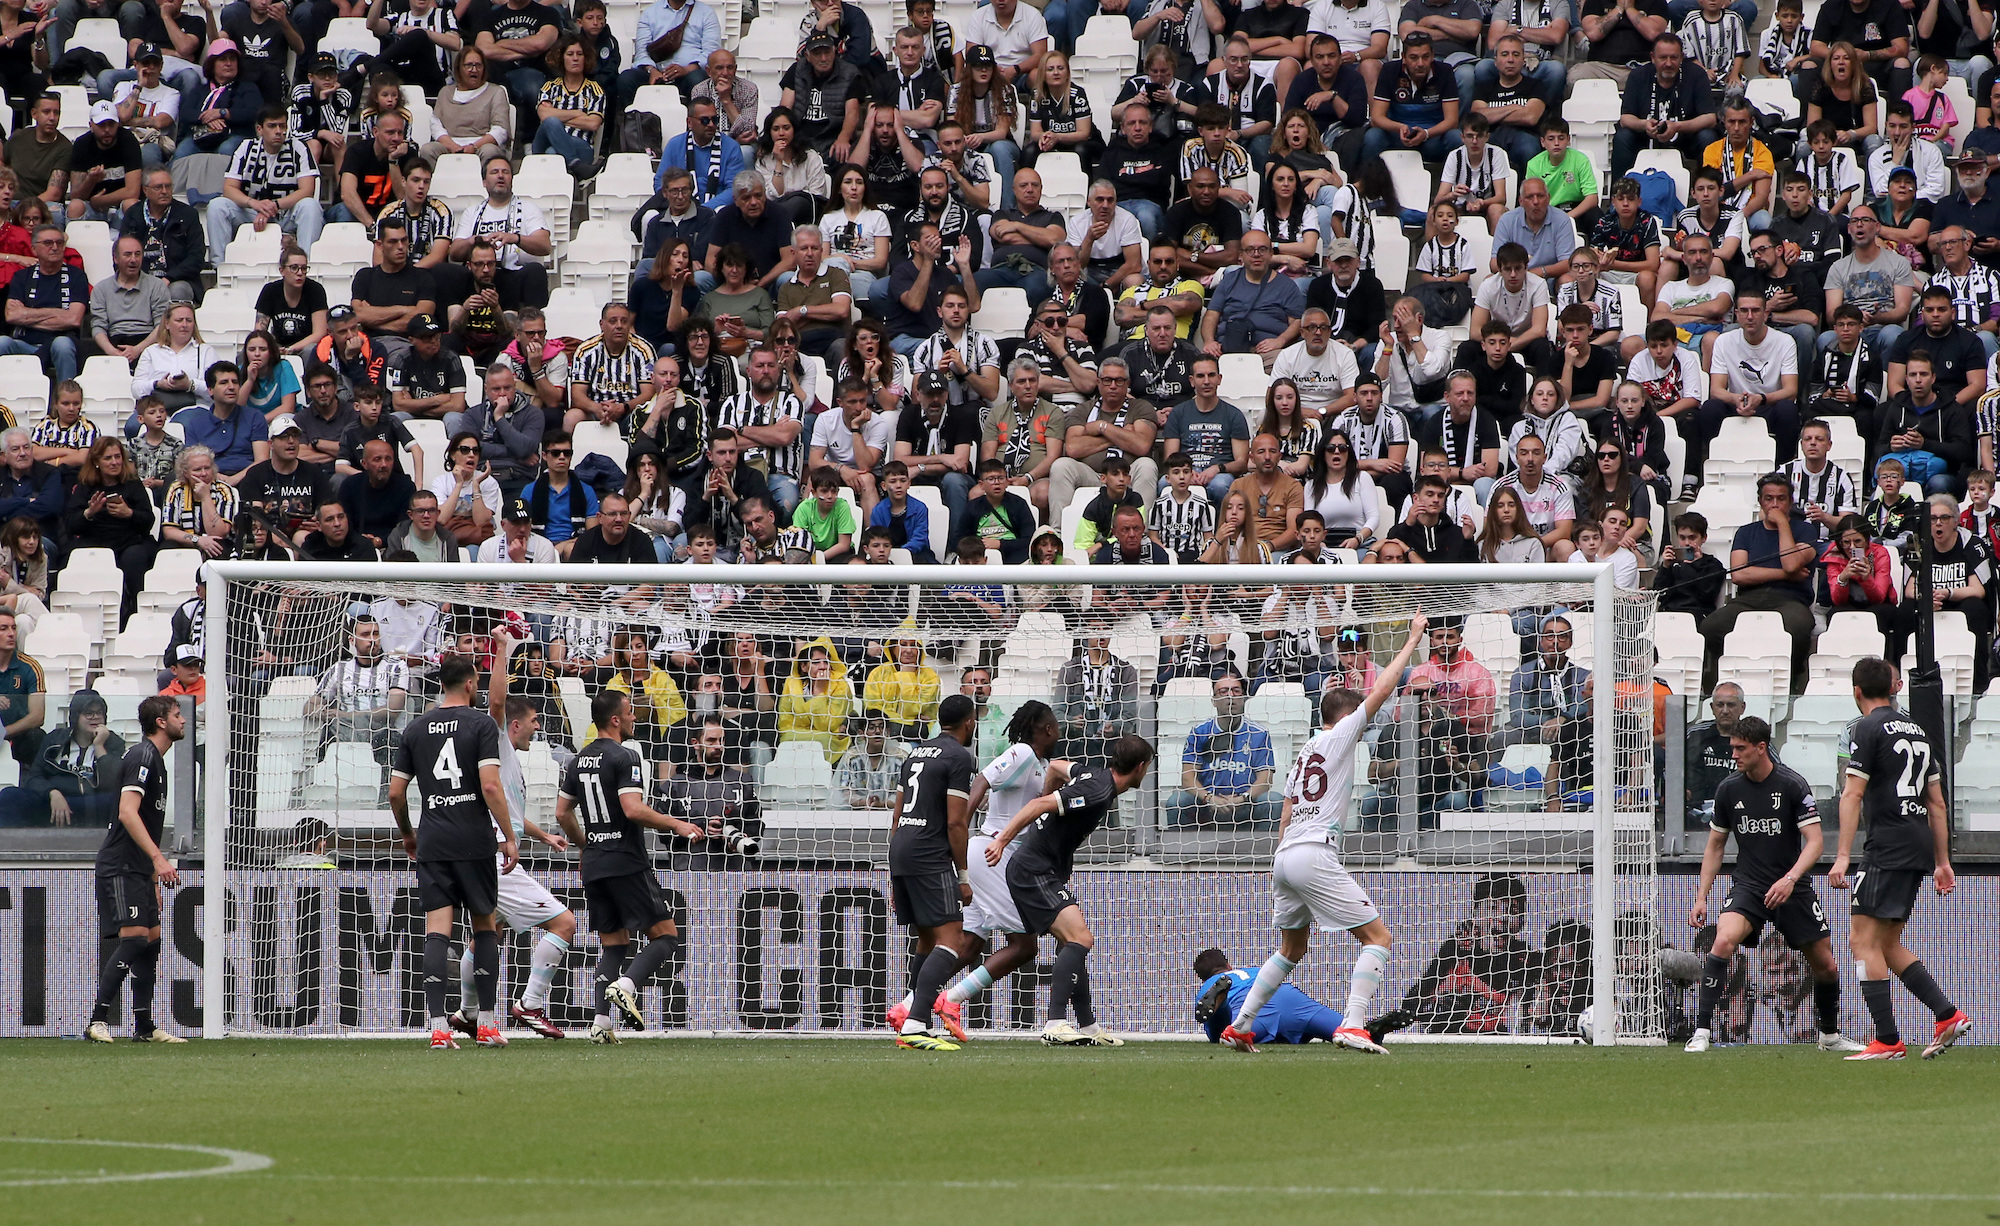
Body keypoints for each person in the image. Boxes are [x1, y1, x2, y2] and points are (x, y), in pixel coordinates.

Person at [1216, 617, 1425, 1054]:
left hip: (1286, 855)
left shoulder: (1303, 754)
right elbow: (1382, 691)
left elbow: (1287, 811)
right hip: (1314, 851)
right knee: (1378, 938)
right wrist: (1411, 641)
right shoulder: (1340, 735)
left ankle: (1241, 1025)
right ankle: (1352, 1022)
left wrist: (1282, 863)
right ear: (1345, 718)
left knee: (1292, 948)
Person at [1683, 715, 1862, 1054]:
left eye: (1740, 748)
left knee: (1827, 965)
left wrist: (1790, 878)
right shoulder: (1728, 790)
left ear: (1761, 748)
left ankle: (1829, 1035)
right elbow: (1716, 847)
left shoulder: (1792, 785)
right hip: (1749, 886)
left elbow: (1814, 842)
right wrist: (1701, 897)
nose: (1733, 755)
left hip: (1793, 887)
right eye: (1732, 748)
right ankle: (1702, 1032)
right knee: (1722, 941)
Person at [1830, 657, 1972, 1060]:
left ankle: (1887, 1040)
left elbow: (1852, 793)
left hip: (1887, 846)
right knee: (1888, 942)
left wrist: (1842, 856)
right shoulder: (1919, 730)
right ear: (1893, 688)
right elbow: (1937, 804)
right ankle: (1946, 1014)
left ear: (1856, 691)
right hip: (1917, 844)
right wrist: (1943, 861)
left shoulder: (1866, 728)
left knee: (1861, 940)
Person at [442, 629, 579, 1042]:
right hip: (496, 856)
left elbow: (512, 815)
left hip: (490, 848)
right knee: (565, 923)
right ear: (515, 724)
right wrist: (504, 649)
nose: (538, 728)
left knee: (486, 934)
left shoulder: (509, 762)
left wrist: (543, 836)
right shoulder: (497, 735)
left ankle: (467, 1014)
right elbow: (497, 700)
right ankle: (531, 1004)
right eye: (535, 721)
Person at [384, 655, 514, 1050]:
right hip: (473, 839)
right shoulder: (481, 724)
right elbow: (490, 787)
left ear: (442, 684)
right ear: (472, 683)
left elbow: (394, 792)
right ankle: (487, 1025)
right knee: (484, 927)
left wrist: (408, 833)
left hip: (434, 840)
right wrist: (509, 835)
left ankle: (439, 1028)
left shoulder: (416, 727)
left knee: (437, 932)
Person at [80, 696, 188, 1044]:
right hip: (121, 865)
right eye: (177, 714)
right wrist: (158, 859)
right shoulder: (142, 756)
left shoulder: (157, 761)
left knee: (152, 940)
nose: (183, 720)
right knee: (136, 937)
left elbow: (148, 822)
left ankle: (144, 1027)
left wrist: (153, 875)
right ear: (160, 721)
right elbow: (128, 812)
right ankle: (98, 1020)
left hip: (139, 869)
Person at [879, 692, 979, 1051]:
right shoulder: (958, 757)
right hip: (929, 854)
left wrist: (895, 869)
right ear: (970, 722)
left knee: (926, 939)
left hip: (902, 849)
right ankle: (917, 1024)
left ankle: (909, 1011)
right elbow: (955, 822)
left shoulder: (914, 753)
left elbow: (896, 814)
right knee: (953, 939)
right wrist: (963, 877)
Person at [1701, 473, 1817, 693]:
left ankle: (1791, 682)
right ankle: (1719, 684)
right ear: (1760, 501)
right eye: (1769, 498)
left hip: (1790, 599)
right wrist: (1784, 575)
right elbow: (1738, 574)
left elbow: (1792, 563)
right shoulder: (1746, 532)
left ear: (1790, 502)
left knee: (1798, 627)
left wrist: (1783, 523)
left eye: (1781, 499)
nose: (1774, 504)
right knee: (1711, 627)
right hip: (1747, 600)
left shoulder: (1805, 530)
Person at [205, 106, 323, 267]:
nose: (279, 131)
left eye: (282, 126)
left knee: (310, 206)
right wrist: (255, 204)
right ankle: (220, 266)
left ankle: (304, 264)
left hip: (286, 213)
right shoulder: (245, 147)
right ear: (260, 129)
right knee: (217, 205)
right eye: (272, 126)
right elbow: (229, 188)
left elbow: (307, 190)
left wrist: (274, 206)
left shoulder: (299, 147)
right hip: (252, 212)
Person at [1167, 670, 1282, 829]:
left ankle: (1265, 853)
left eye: (1236, 691)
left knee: (1274, 800)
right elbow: (1187, 778)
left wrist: (1243, 798)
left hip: (1245, 805)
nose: (1230, 696)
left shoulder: (1258, 733)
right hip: (1207, 806)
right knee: (1177, 802)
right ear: (1214, 700)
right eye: (1223, 691)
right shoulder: (1200, 732)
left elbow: (1266, 779)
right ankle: (1182, 854)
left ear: (1243, 698)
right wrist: (1209, 798)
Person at [449, 157, 554, 311]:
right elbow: (454, 253)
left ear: (511, 179)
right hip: (477, 275)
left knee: (535, 271)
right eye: (494, 172)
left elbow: (545, 246)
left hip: (512, 275)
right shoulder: (472, 212)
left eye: (505, 172)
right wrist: (477, 241)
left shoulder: (528, 208)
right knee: (443, 271)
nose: (500, 176)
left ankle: (533, 328)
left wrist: (514, 238)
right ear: (484, 181)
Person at [1613, 35, 1714, 176]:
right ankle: (1620, 193)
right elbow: (1625, 118)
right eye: (1663, 58)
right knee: (1623, 137)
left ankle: (1709, 190)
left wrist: (1678, 126)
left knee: (1707, 137)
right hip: (1646, 136)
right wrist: (1644, 125)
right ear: (1653, 57)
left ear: (1681, 57)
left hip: (1686, 136)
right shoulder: (1638, 76)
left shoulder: (1696, 74)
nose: (1668, 63)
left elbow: (1710, 118)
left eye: (1674, 57)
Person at [0, 225, 87, 386]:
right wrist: (58, 314)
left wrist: (28, 314)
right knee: (2, 342)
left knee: (62, 344)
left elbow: (73, 319)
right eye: (48, 243)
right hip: (23, 343)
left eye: (59, 243)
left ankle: (66, 400)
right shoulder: (21, 276)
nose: (55, 247)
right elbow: (11, 315)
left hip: (60, 342)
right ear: (34, 249)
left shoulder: (76, 276)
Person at [1360, 30, 1462, 165]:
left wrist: (1426, 133)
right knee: (1373, 136)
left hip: (1432, 137)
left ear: (1432, 56)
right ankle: (1367, 182)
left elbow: (1452, 120)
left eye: (1425, 57)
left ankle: (1455, 183)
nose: (1420, 63)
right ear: (1403, 57)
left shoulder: (1445, 71)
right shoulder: (1390, 70)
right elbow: (1377, 118)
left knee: (1456, 137)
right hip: (1398, 134)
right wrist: (1400, 128)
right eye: (1414, 58)